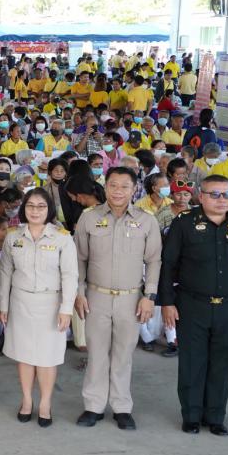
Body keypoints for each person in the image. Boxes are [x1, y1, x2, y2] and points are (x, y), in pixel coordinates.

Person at [160, 175, 228, 435]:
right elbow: (168, 264)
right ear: (201, 196)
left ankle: (215, 417)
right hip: (192, 304)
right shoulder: (184, 223)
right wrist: (167, 302)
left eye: (227, 194)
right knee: (192, 362)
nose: (221, 200)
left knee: (222, 362)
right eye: (214, 194)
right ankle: (192, 415)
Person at [73, 167, 162, 431]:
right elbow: (78, 259)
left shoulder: (147, 221)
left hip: (131, 298)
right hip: (96, 296)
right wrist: (78, 292)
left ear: (134, 189)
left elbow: (154, 261)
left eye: (125, 186)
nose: (118, 191)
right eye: (113, 185)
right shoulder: (89, 218)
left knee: (123, 354)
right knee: (97, 353)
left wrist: (149, 296)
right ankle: (94, 406)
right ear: (105, 187)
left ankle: (122, 407)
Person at [0, 188, 78, 427]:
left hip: (50, 304)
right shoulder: (13, 236)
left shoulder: (62, 237)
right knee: (24, 356)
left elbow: (70, 275)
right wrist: (3, 305)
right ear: (24, 208)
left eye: (41, 206)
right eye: (30, 206)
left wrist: (66, 309)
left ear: (49, 209)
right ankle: (26, 400)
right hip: (20, 303)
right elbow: (5, 273)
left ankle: (45, 403)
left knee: (47, 357)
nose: (35, 211)